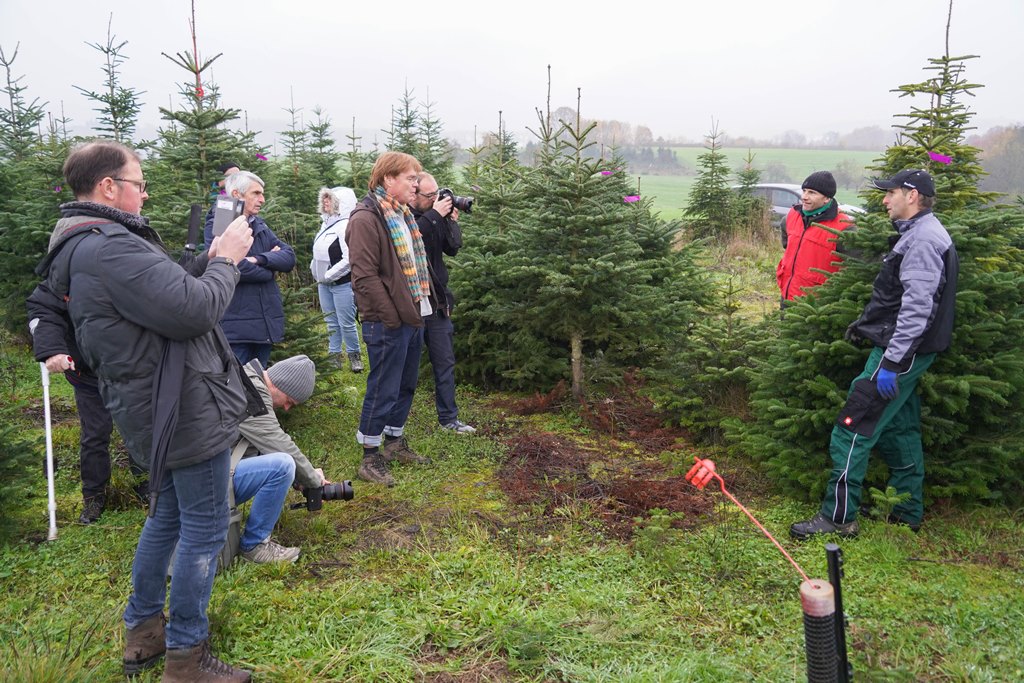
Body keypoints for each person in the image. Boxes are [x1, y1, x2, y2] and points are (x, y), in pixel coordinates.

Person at [33, 139, 254, 680]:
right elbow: (193, 309)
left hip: (149, 402)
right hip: (178, 403)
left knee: (168, 517)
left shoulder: (85, 244)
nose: (146, 190)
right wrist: (225, 261)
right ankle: (186, 654)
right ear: (108, 187)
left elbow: (162, 295)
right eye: (138, 181)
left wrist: (204, 260)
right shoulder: (112, 248)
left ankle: (144, 633)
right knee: (203, 529)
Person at [791, 169, 958, 540]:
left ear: (912, 196)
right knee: (899, 426)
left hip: (900, 352)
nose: (884, 200)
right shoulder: (921, 233)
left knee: (851, 429)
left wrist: (893, 363)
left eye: (891, 193)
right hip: (911, 351)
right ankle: (906, 509)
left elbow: (917, 308)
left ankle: (838, 517)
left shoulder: (923, 242)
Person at [347, 151, 433, 487]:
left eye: (416, 179)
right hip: (388, 320)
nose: (417, 184)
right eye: (411, 178)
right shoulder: (366, 218)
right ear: (388, 180)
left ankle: (394, 442)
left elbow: (415, 265)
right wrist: (391, 316)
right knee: (383, 386)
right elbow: (364, 277)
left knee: (405, 383)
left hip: (413, 314)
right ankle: (370, 455)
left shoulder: (402, 215)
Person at [25, 298, 144, 524]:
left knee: (137, 428)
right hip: (85, 372)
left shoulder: (120, 270)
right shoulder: (62, 278)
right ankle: (94, 497)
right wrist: (50, 348)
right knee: (95, 433)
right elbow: (42, 311)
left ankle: (147, 485)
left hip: (125, 369)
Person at [233, 354, 329, 563]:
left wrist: (299, 480)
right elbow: (279, 444)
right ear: (279, 384)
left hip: (206, 471)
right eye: (289, 401)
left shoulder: (245, 380)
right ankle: (254, 546)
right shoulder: (251, 393)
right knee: (283, 465)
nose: (286, 408)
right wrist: (313, 479)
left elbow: (262, 447)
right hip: (208, 480)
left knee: (282, 463)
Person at [205, 170, 296, 367]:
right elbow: (230, 264)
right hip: (236, 329)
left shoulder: (259, 224)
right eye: (256, 193)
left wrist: (259, 259)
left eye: (262, 193)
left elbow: (289, 256)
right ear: (237, 194)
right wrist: (270, 269)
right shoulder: (220, 223)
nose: (262, 199)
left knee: (257, 390)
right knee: (237, 388)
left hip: (263, 326)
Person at [411, 172, 476, 433]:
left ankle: (449, 419)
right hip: (412, 302)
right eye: (429, 196)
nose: (435, 199)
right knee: (405, 367)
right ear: (413, 194)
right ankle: (393, 424)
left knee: (445, 361)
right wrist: (435, 215)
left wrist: (450, 221)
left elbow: (453, 247)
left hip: (437, 302)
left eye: (437, 194)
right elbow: (415, 238)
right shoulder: (406, 218)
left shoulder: (435, 215)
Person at [776, 171, 854, 302]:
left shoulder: (844, 227)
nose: (804, 197)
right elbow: (787, 244)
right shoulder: (791, 216)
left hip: (818, 304)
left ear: (827, 198)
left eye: (812, 193)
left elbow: (855, 267)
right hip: (788, 294)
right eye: (804, 191)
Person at [311, 186, 363, 372]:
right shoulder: (325, 224)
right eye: (324, 199)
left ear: (340, 204)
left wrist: (328, 275)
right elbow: (318, 253)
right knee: (331, 321)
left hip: (342, 284)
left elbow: (349, 259)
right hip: (323, 285)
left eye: (329, 199)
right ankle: (334, 358)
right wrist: (315, 271)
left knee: (346, 322)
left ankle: (354, 356)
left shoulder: (346, 227)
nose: (326, 203)